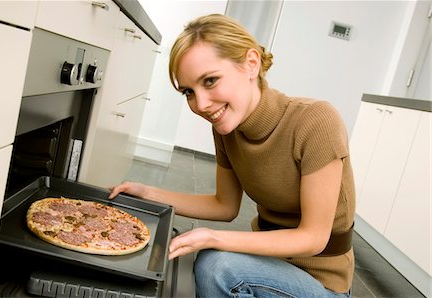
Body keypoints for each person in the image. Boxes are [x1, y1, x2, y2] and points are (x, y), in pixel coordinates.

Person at [109, 13, 355, 297]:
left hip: (322, 283)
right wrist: (145, 193)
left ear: (251, 64)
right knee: (205, 261)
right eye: (189, 91)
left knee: (217, 266)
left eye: (210, 81)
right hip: (267, 264)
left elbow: (313, 238)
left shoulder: (316, 121)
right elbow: (223, 206)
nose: (200, 104)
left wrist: (213, 237)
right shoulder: (227, 129)